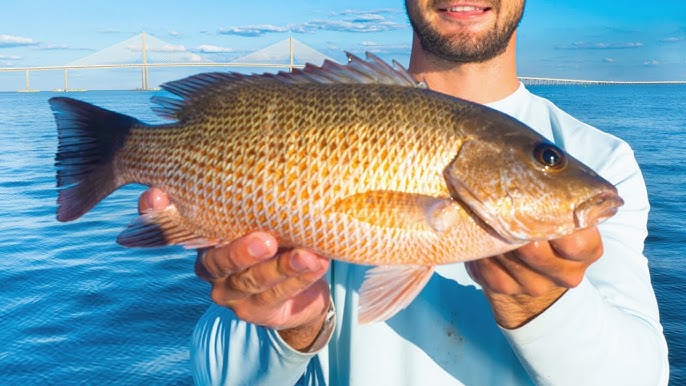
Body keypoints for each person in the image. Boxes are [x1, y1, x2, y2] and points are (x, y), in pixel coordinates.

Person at [139, 1, 669, 384]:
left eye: (546, 161)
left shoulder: (603, 161)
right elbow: (215, 375)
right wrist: (292, 329)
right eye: (546, 161)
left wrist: (544, 306)